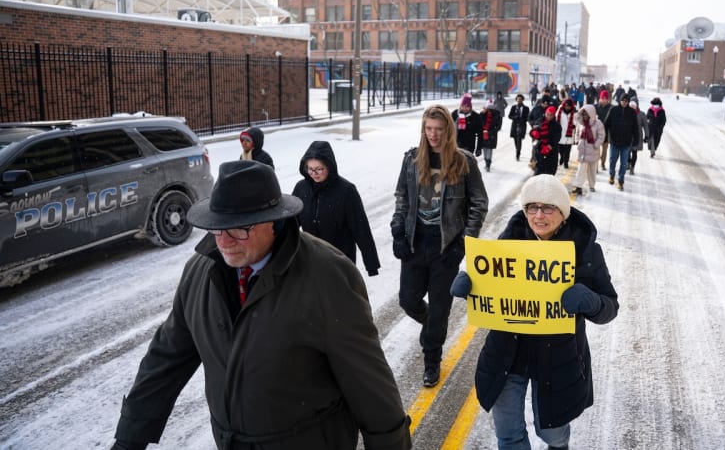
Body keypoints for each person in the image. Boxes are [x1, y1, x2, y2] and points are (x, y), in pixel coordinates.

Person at [111, 161, 411, 450]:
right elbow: (167, 357)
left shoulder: (327, 276)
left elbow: (367, 379)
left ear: (273, 221)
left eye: (239, 229)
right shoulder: (199, 272)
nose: (224, 242)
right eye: (217, 227)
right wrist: (130, 436)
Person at [450, 174, 619, 450]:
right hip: (509, 353)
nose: (539, 215)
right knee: (507, 433)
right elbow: (489, 281)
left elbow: (609, 307)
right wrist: (471, 284)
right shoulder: (509, 242)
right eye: (532, 207)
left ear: (563, 213)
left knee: (553, 434)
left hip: (557, 356)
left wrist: (590, 300)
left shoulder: (584, 250)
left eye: (548, 207)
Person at [391, 104, 488, 387]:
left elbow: (479, 203)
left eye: (438, 129)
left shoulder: (463, 162)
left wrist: (464, 242)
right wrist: (398, 230)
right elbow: (401, 197)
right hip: (415, 241)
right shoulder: (411, 159)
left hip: (446, 246)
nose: (433, 135)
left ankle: (432, 360)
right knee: (408, 301)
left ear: (448, 130)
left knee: (440, 307)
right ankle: (434, 325)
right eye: (428, 129)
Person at [292, 140, 380, 277]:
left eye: (319, 169)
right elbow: (291, 224)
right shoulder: (301, 189)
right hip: (310, 261)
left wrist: (371, 265)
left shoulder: (346, 191)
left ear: (330, 167)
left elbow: (361, 229)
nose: (314, 173)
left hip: (340, 263)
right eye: (310, 169)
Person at [605, 94, 638, 191]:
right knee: (612, 161)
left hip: (626, 143)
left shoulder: (632, 112)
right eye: (623, 100)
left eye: (626, 101)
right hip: (614, 142)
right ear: (620, 100)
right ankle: (611, 175)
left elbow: (635, 128)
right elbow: (606, 124)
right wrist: (606, 137)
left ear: (628, 102)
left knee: (624, 164)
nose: (624, 102)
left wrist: (636, 140)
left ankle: (620, 181)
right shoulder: (613, 110)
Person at [571, 104, 605, 195]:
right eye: (584, 114)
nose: (585, 116)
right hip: (583, 151)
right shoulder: (581, 123)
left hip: (593, 151)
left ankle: (592, 185)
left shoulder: (598, 123)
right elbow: (577, 132)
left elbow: (601, 136)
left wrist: (596, 145)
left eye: (587, 114)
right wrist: (577, 141)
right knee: (581, 169)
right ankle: (578, 186)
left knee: (592, 170)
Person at [529, 105, 561, 176]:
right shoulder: (539, 121)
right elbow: (532, 131)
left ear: (553, 115)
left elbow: (556, 139)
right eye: (547, 114)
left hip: (551, 153)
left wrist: (549, 147)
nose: (549, 117)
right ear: (545, 113)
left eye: (551, 115)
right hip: (539, 151)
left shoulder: (556, 125)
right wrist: (533, 133)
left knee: (550, 173)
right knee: (537, 172)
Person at [480, 100, 503, 172]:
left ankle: (488, 164)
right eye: (488, 107)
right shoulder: (483, 114)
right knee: (484, 148)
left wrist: (491, 132)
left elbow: (498, 127)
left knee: (489, 149)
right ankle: (486, 161)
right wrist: (482, 113)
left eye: (491, 107)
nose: (489, 109)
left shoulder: (497, 114)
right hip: (483, 133)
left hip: (491, 134)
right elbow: (479, 122)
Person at [627, 100, 648, 175]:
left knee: (634, 152)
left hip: (637, 136)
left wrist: (646, 136)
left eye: (634, 105)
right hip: (627, 135)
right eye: (631, 105)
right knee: (627, 151)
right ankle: (628, 163)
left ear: (637, 106)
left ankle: (632, 167)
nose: (632, 107)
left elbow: (645, 125)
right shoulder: (626, 113)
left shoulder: (641, 114)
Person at [555, 98, 577, 170]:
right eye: (566, 106)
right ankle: (561, 158)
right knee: (560, 150)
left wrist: (574, 125)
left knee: (567, 150)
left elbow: (576, 121)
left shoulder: (574, 112)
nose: (567, 107)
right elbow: (556, 119)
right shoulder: (560, 110)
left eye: (569, 106)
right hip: (560, 133)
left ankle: (566, 162)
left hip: (569, 134)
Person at [508, 94, 530, 161]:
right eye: (518, 99)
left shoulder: (526, 108)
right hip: (515, 125)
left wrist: (523, 119)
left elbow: (528, 117)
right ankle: (517, 150)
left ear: (522, 100)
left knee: (519, 139)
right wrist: (515, 117)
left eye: (520, 99)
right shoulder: (514, 107)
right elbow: (509, 116)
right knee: (515, 139)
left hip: (522, 125)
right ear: (516, 100)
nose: (519, 100)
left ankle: (518, 154)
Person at [595, 90, 612, 171]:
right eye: (602, 98)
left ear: (608, 99)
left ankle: (602, 163)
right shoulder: (595, 107)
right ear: (600, 99)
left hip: (606, 131)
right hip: (596, 132)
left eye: (605, 98)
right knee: (596, 150)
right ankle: (596, 166)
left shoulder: (611, 108)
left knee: (604, 150)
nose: (604, 100)